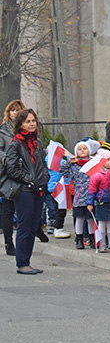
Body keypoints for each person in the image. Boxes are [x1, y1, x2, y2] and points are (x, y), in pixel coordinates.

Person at [3, 108, 48, 274]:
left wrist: (44, 178)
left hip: (38, 189)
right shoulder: (15, 143)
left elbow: (42, 164)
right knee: (24, 226)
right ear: (20, 124)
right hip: (24, 190)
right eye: (28, 121)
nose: (31, 124)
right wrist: (28, 179)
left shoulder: (37, 142)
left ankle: (27, 261)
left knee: (33, 226)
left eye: (33, 121)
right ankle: (22, 263)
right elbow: (11, 169)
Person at [0, 99, 25, 256]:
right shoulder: (3, 131)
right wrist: (6, 159)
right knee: (8, 210)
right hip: (8, 174)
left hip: (25, 173)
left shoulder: (28, 129)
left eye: (18, 109)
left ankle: (27, 238)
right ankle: (9, 242)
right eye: (13, 110)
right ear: (8, 112)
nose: (15, 112)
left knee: (26, 208)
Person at [86, 147, 110, 252]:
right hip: (102, 202)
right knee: (102, 224)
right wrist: (90, 203)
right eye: (108, 159)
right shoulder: (97, 175)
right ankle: (102, 243)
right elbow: (92, 190)